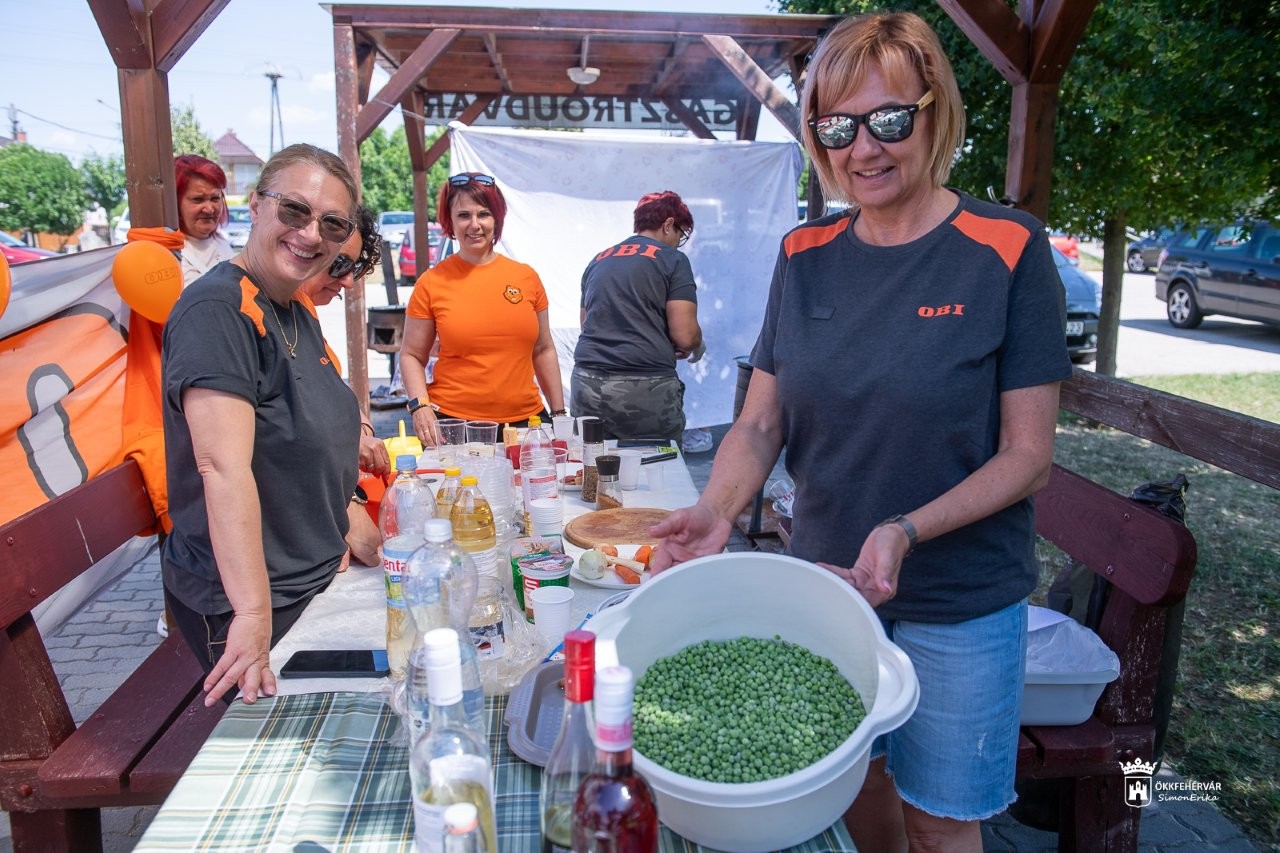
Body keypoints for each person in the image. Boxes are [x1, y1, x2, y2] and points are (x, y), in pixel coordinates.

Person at [650, 12, 1072, 852]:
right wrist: (718, 511)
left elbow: (1028, 457)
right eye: (837, 127)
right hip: (829, 587)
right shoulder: (805, 251)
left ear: (934, 112)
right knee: (860, 796)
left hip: (961, 600)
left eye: (888, 119)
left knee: (941, 824)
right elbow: (763, 417)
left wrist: (904, 529)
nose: (863, 149)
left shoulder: (1007, 247)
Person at [161, 143, 363, 706]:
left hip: (314, 575)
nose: (310, 234)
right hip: (254, 601)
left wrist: (337, 525)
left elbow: (311, 431)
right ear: (254, 205)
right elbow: (221, 467)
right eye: (294, 211)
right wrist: (251, 615)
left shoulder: (292, 307)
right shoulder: (218, 311)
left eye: (331, 223)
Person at [399, 173, 565, 444]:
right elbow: (411, 355)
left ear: (496, 219)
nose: (474, 225)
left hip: (527, 423)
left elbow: (543, 349)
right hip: (455, 425)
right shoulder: (431, 283)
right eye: (464, 215)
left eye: (484, 214)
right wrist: (420, 406)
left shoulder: (526, 277)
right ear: (450, 221)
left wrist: (559, 415)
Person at [570, 190, 703, 442]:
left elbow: (587, 324)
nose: (678, 242)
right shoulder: (672, 259)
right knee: (659, 469)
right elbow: (685, 336)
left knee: (594, 468)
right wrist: (698, 345)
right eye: (680, 234)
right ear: (668, 225)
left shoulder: (598, 259)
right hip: (644, 388)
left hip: (586, 385)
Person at [296, 204, 387, 568]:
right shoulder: (259, 312)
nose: (348, 281)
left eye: (355, 269)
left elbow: (330, 388)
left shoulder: (302, 311)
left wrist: (360, 424)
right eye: (339, 265)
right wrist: (347, 503)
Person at [174, 154, 236, 285]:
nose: (209, 209)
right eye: (198, 199)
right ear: (175, 202)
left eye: (215, 198)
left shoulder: (222, 243)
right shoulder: (168, 254)